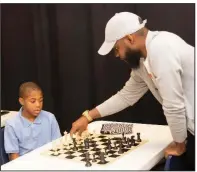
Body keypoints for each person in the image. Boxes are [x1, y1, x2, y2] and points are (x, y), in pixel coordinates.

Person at [70, 12, 194, 170]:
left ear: (129, 38)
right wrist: (88, 117)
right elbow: (126, 96)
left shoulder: (161, 48)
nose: (118, 56)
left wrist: (179, 144)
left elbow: (173, 105)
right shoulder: (142, 62)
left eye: (117, 49)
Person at [4, 82, 61, 160]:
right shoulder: (11, 124)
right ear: (21, 101)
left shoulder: (50, 118)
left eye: (41, 100)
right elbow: (14, 158)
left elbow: (58, 146)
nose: (38, 105)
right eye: (33, 101)